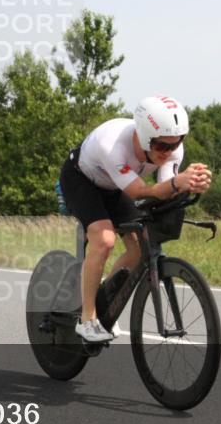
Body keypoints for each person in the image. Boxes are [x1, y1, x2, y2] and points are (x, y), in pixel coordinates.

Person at [59, 95, 212, 343]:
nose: (169, 152)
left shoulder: (170, 148)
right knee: (104, 240)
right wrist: (177, 183)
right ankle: (87, 319)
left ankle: (104, 296)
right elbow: (141, 192)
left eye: (176, 144)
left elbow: (164, 190)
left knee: (142, 245)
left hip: (116, 185)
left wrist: (191, 185)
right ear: (143, 137)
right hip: (82, 180)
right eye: (162, 146)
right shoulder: (113, 146)